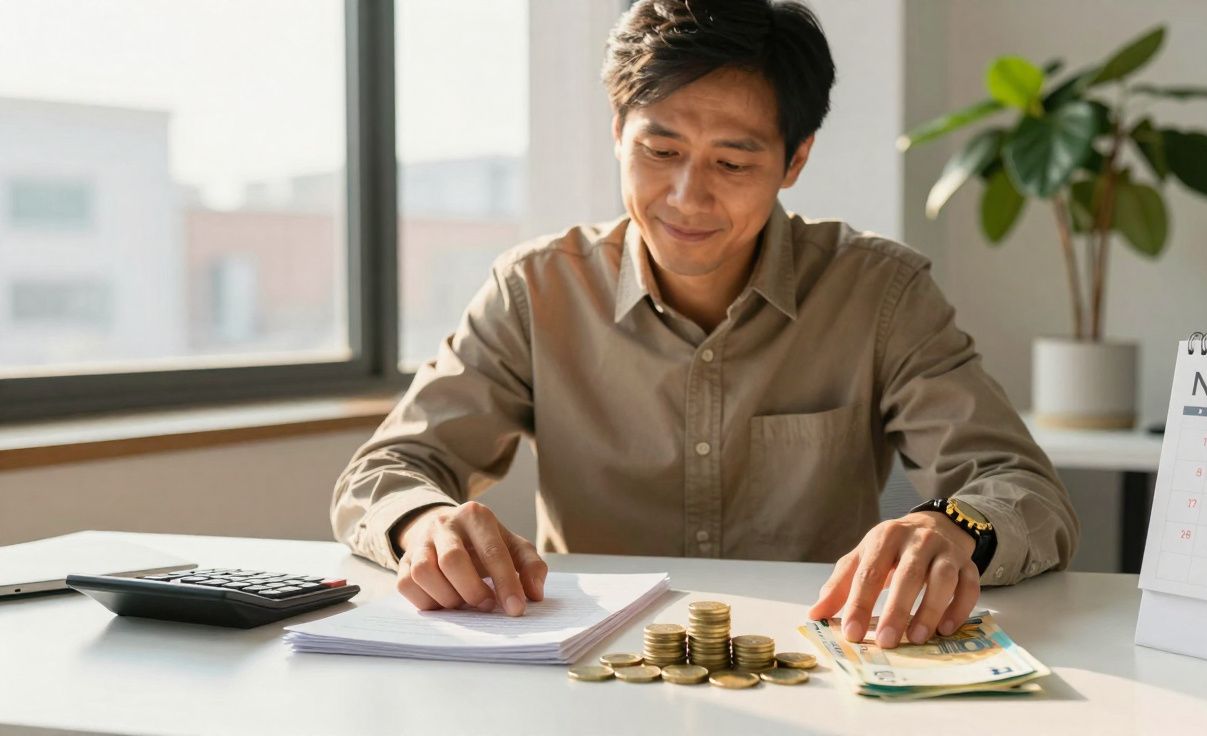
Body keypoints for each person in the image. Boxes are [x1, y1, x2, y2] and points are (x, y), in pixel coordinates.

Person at [331, 0, 1078, 647]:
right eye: (660, 151)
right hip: (588, 673)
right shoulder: (536, 291)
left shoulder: (879, 293)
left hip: (810, 663)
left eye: (732, 163)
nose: (686, 198)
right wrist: (424, 524)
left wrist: (953, 525)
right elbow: (386, 473)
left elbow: (1020, 487)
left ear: (795, 161)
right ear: (618, 129)